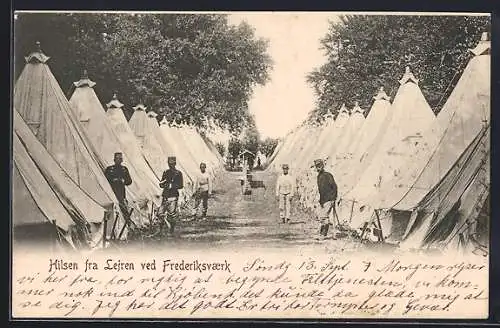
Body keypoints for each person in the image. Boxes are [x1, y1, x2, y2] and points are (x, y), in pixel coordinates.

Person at [314, 159, 338, 239]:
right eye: (317, 166)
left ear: (323, 166)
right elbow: (321, 190)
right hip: (323, 200)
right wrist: (320, 200)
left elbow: (334, 187)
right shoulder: (319, 176)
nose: (318, 168)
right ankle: (321, 234)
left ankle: (323, 235)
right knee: (322, 217)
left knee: (323, 216)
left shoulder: (328, 175)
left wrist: (333, 198)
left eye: (319, 166)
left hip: (329, 199)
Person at [159, 156, 184, 233]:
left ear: (175, 163)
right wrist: (163, 184)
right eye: (170, 164)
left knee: (172, 214)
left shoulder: (178, 173)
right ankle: (160, 230)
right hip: (165, 195)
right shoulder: (166, 172)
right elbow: (161, 183)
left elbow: (181, 185)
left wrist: (172, 186)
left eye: (172, 164)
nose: (171, 165)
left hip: (173, 196)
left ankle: (171, 230)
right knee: (160, 214)